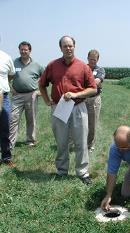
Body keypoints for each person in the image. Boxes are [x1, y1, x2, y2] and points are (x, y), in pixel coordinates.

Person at [39, 36, 97, 183]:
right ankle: (62, 171)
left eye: (70, 46)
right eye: (65, 46)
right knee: (61, 141)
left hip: (78, 107)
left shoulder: (83, 67)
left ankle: (82, 172)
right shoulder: (52, 65)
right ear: (60, 48)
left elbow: (92, 89)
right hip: (59, 107)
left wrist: (76, 94)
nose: (68, 48)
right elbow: (42, 84)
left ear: (75, 46)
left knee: (81, 141)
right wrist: (47, 101)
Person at [9, 41, 44, 148]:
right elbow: (8, 77)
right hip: (17, 96)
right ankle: (10, 143)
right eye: (21, 49)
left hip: (31, 95)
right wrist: (11, 88)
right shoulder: (14, 63)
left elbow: (45, 79)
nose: (23, 51)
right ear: (19, 50)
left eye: (26, 49)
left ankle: (30, 140)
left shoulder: (37, 65)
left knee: (31, 119)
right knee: (13, 119)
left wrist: (38, 92)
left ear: (30, 51)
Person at [85, 49, 105, 152]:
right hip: (82, 99)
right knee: (81, 123)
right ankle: (80, 143)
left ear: (98, 59)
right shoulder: (83, 68)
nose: (93, 61)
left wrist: (85, 82)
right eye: (91, 59)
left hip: (94, 99)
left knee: (92, 124)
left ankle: (90, 145)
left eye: (95, 59)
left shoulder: (100, 70)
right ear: (87, 58)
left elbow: (96, 82)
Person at [0, 48, 15, 167]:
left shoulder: (6, 57)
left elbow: (11, 75)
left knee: (5, 127)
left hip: (2, 96)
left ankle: (6, 157)